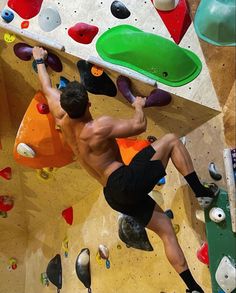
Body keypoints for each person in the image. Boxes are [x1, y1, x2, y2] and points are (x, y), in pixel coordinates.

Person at [32, 46, 219, 293]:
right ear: (88, 103)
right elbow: (139, 125)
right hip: (123, 181)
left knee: (165, 230)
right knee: (172, 140)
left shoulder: (60, 116)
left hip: (112, 195)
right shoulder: (98, 126)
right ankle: (201, 193)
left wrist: (39, 61)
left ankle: (193, 288)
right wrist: (138, 104)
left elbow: (47, 88)